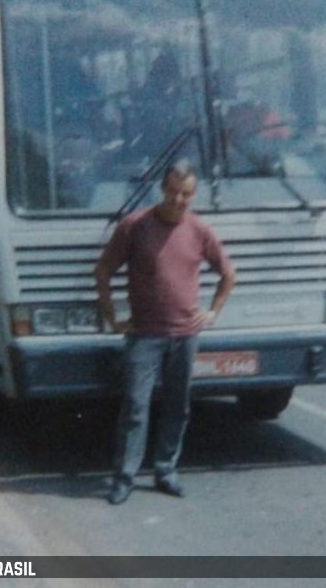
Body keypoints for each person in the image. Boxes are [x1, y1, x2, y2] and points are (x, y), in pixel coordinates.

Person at [96, 159, 236, 505]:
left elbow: (229, 275)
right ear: (162, 189)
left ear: (194, 194)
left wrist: (212, 312)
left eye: (185, 194)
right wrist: (114, 318)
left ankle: (165, 470)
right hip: (144, 334)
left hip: (185, 335)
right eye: (172, 192)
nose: (178, 200)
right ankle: (124, 478)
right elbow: (102, 272)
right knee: (135, 406)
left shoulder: (199, 230)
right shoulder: (134, 226)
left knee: (178, 406)